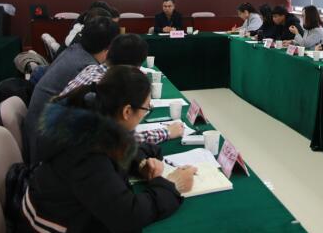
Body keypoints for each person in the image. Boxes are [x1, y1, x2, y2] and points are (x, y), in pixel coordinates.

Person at [18, 66, 196, 233]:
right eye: (146, 108)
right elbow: (128, 216)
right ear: (127, 111)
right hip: (51, 225)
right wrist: (173, 185)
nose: (145, 113)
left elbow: (119, 148)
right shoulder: (87, 152)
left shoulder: (93, 115)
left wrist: (140, 163)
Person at [24, 16, 119, 164]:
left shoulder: (74, 50)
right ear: (109, 48)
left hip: (38, 132)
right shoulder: (87, 68)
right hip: (45, 151)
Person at [61, 33, 184, 142]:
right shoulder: (108, 88)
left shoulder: (92, 69)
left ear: (109, 53)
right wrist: (166, 132)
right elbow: (114, 141)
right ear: (133, 69)